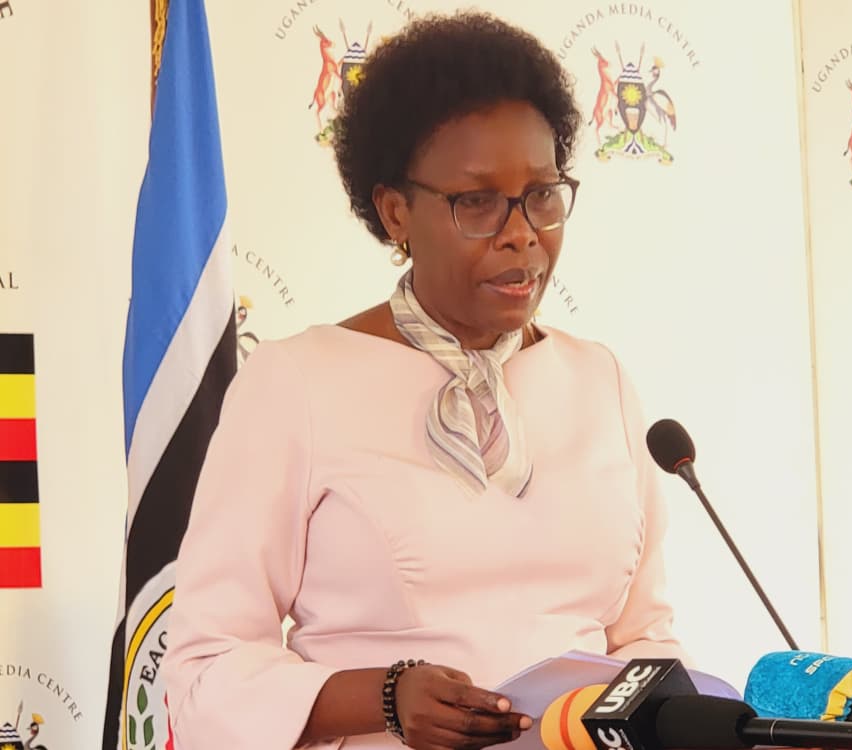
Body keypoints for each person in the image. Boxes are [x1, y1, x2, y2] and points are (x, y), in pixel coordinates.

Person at [162, 10, 688, 750]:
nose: (521, 233)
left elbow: (644, 638)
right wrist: (384, 697)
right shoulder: (296, 384)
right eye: (478, 202)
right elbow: (204, 670)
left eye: (542, 194)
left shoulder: (599, 381)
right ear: (395, 211)